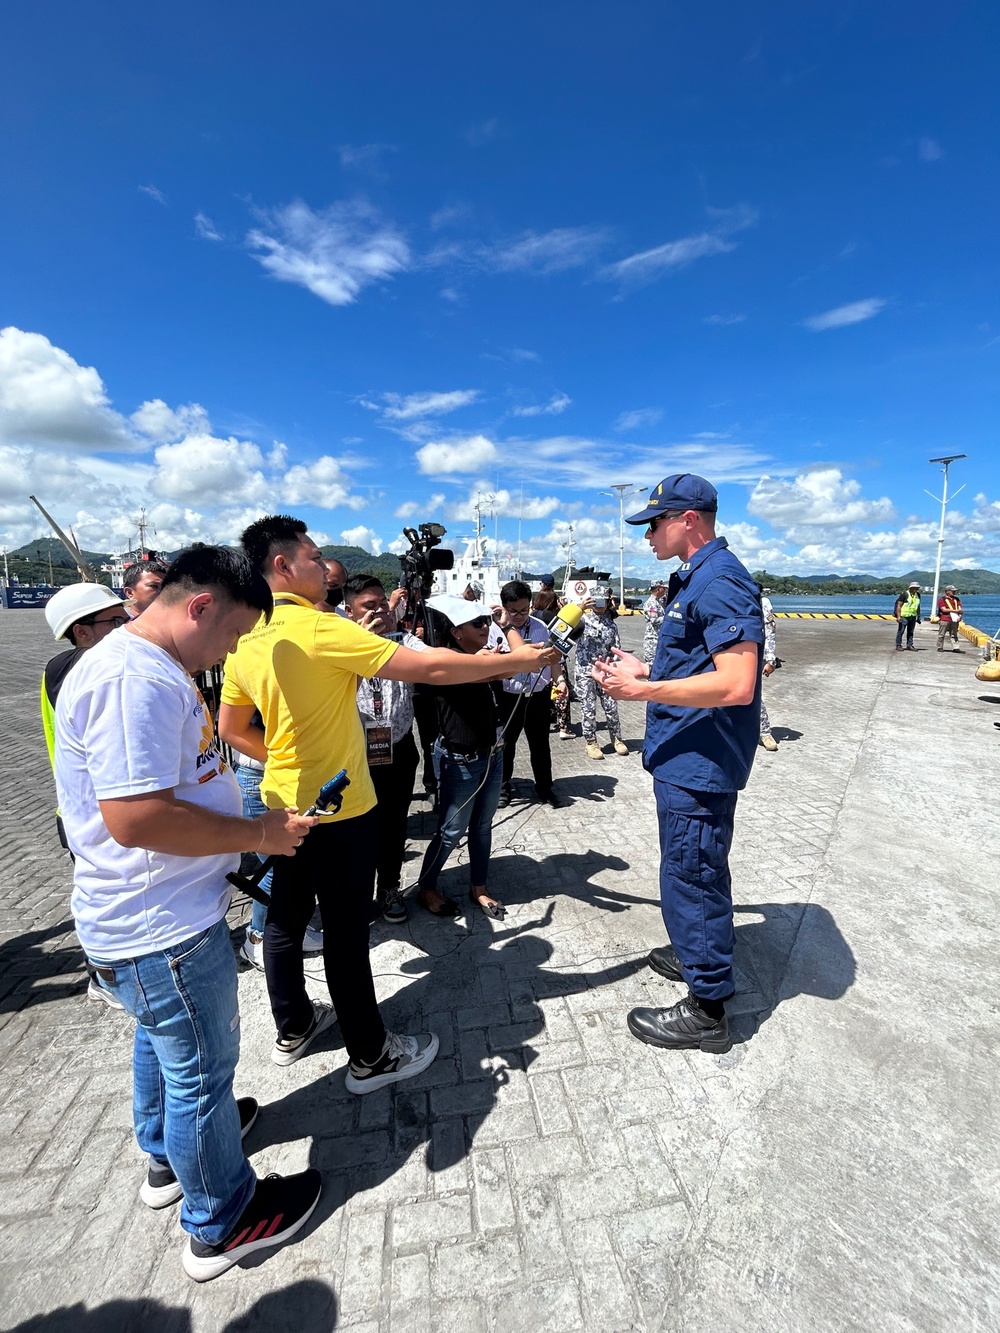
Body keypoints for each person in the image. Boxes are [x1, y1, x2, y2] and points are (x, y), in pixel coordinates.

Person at [53, 544, 322, 1282]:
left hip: (154, 923)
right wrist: (256, 834)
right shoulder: (131, 677)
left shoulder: (151, 665)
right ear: (199, 605)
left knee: (165, 1047)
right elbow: (136, 818)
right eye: (234, 634)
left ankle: (166, 1153)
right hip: (161, 930)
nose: (233, 651)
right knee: (202, 1072)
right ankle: (223, 1218)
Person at [218, 516, 555, 1091]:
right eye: (313, 556)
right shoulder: (319, 627)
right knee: (346, 935)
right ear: (282, 566)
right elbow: (431, 666)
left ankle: (293, 1027)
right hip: (339, 809)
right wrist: (518, 661)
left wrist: (286, 759)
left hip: (282, 805)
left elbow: (230, 725)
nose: (325, 569)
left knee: (284, 920)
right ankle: (371, 1056)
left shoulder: (248, 635)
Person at [593, 473, 762, 1054]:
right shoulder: (697, 578)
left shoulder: (719, 580)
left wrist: (639, 694)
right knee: (694, 866)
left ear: (689, 520)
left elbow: (738, 683)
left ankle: (707, 1006)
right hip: (686, 754)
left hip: (700, 760)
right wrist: (648, 673)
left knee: (692, 872)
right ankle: (697, 949)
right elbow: (700, 666)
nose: (647, 536)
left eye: (655, 523)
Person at [41, 582, 131, 1009]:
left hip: (86, 804)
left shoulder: (68, 666)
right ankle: (106, 976)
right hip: (94, 810)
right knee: (107, 891)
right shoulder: (84, 674)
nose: (128, 624)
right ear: (83, 632)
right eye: (115, 620)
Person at [413, 595, 512, 919]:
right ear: (456, 632)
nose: (486, 627)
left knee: (483, 825)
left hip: (493, 753)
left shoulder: (483, 657)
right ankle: (426, 888)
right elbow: (492, 671)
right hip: (461, 760)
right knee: (451, 831)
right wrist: (501, 659)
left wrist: (505, 630)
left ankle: (479, 887)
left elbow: (498, 670)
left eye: (486, 621)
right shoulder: (448, 663)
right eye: (478, 623)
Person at [343, 574, 424, 924]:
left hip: (399, 748)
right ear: (349, 611)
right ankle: (356, 894)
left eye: (382, 604)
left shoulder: (402, 641)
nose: (378, 611)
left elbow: (433, 659)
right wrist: (360, 641)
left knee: (394, 823)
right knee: (358, 827)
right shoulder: (341, 644)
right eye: (368, 606)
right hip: (355, 751)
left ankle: (389, 887)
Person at [495, 579, 568, 809]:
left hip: (537, 695)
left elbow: (554, 659)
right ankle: (502, 787)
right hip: (508, 695)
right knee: (505, 744)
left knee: (540, 744)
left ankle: (545, 787)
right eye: (513, 611)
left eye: (524, 610)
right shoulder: (494, 628)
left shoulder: (540, 627)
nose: (518, 616)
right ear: (504, 607)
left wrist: (561, 680)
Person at [574, 583, 629, 760]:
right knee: (588, 708)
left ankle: (617, 739)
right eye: (595, 600)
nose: (599, 604)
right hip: (586, 671)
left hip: (606, 672)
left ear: (608, 602)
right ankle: (591, 742)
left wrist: (617, 669)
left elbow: (616, 649)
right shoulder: (581, 620)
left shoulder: (611, 624)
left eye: (602, 600)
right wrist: (579, 609)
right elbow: (563, 626)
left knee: (612, 707)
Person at [758, 586, 779, 752]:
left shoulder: (762, 602)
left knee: (753, 694)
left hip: (755, 655)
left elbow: (770, 632)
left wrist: (770, 659)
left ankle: (765, 732)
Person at [641, 580, 667, 665]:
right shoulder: (651, 603)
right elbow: (654, 620)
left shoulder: (658, 602)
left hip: (659, 638)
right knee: (652, 666)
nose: (665, 590)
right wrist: (668, 618)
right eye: (664, 588)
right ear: (658, 589)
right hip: (652, 640)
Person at [894, 582, 922, 650]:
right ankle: (898, 645)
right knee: (901, 631)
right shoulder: (904, 594)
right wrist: (898, 616)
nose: (917, 589)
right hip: (904, 616)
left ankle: (909, 645)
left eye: (917, 588)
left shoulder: (918, 595)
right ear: (911, 588)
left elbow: (917, 606)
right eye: (915, 588)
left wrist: (918, 615)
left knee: (911, 631)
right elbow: (899, 606)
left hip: (912, 616)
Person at [936, 585, 963, 651]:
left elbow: (960, 609)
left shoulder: (957, 599)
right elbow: (944, 610)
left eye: (954, 591)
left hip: (955, 619)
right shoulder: (942, 600)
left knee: (954, 634)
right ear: (947, 591)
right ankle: (940, 647)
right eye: (952, 591)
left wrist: (960, 616)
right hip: (945, 618)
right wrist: (956, 611)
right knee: (941, 634)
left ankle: (956, 647)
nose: (954, 592)